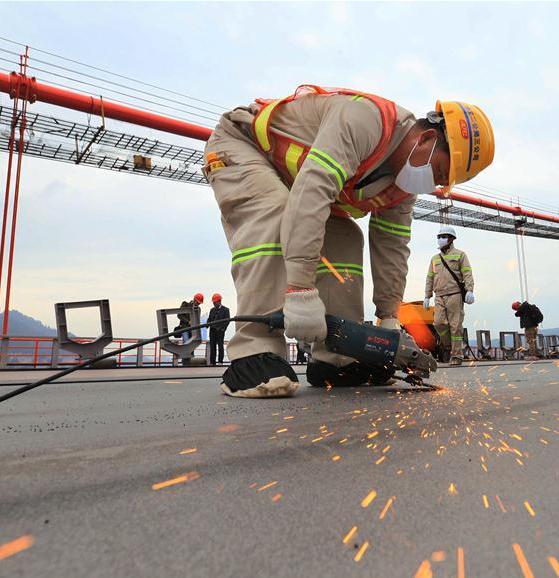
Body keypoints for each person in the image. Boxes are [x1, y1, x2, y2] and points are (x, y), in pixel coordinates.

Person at [204, 85, 494, 397]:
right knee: (274, 213)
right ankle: (254, 351)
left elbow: (393, 247)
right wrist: (300, 289)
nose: (432, 183)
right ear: (426, 138)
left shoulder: (402, 188)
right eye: (438, 170)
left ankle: (336, 358)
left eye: (440, 182)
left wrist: (389, 318)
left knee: (345, 236)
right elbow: (313, 190)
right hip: (243, 146)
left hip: (296, 180)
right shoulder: (365, 120)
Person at [424, 225, 475, 366]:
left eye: (444, 237)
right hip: (439, 295)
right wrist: (427, 295)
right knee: (439, 323)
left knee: (455, 326)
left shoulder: (460, 255)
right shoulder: (435, 259)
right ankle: (448, 346)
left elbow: (467, 273)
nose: (441, 239)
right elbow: (429, 277)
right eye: (439, 237)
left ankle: (457, 355)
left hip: (455, 295)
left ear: (452, 239)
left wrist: (469, 290)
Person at [207, 293, 230, 365]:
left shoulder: (226, 310)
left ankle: (220, 361)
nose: (213, 303)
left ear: (219, 301)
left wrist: (222, 329)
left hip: (220, 331)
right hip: (212, 331)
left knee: (220, 346)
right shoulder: (212, 310)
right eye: (213, 302)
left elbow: (227, 320)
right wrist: (207, 325)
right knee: (212, 346)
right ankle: (212, 362)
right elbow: (210, 319)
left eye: (215, 302)